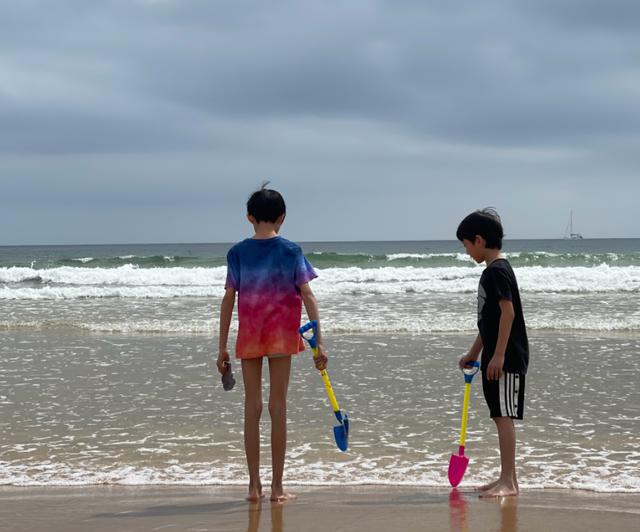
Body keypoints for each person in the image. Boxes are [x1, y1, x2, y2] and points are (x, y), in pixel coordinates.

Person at [217, 184, 328, 503]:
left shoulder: (237, 252)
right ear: (282, 217)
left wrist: (222, 346)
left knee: (251, 408)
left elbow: (228, 299)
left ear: (249, 217)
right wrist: (318, 343)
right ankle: (277, 489)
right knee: (278, 408)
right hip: (282, 336)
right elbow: (307, 295)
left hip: (250, 336)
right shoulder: (291, 251)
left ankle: (254, 487)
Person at [456, 208, 529, 497]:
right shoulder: (495, 271)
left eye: (466, 245)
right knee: (500, 414)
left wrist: (498, 356)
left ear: (479, 240)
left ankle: (508, 482)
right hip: (496, 354)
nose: (466, 252)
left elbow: (507, 314)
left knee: (503, 416)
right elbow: (489, 322)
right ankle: (507, 478)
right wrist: (474, 353)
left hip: (507, 356)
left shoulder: (496, 272)